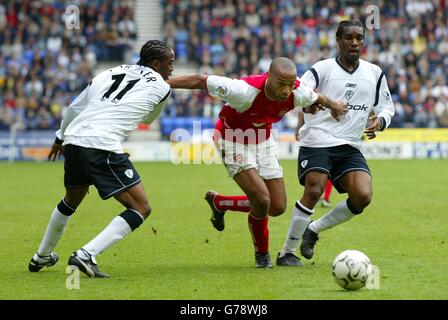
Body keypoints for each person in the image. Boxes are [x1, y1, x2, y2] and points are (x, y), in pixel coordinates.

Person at [167, 57, 347, 268]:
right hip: (231, 139)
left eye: (291, 84)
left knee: (277, 206)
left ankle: (220, 203)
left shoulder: (299, 91)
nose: (286, 90)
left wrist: (334, 106)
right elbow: (200, 80)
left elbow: (317, 98)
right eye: (281, 83)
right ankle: (262, 255)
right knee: (262, 199)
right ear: (269, 77)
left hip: (263, 140)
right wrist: (163, 84)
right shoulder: (243, 91)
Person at [28, 40, 175, 277]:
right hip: (101, 144)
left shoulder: (110, 72)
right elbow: (148, 121)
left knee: (71, 199)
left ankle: (42, 255)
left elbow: (75, 107)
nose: (172, 69)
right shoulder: (162, 86)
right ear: (156, 64)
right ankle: (85, 255)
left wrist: (59, 137)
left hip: (74, 138)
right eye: (170, 63)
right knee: (141, 207)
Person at [277, 20, 395, 266]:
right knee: (314, 189)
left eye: (359, 38)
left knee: (362, 196)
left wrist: (380, 122)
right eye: (349, 37)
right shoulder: (323, 68)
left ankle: (314, 229)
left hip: (351, 144)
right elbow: (298, 91)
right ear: (338, 40)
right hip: (318, 139)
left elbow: (386, 107)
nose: (354, 42)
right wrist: (320, 103)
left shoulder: (374, 73)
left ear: (363, 41)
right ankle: (287, 252)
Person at [295, 111, 333, 208]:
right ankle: (318, 196)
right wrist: (298, 130)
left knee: (326, 171)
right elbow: (301, 113)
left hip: (326, 140)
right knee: (315, 173)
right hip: (311, 142)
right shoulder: (310, 100)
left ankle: (325, 198)